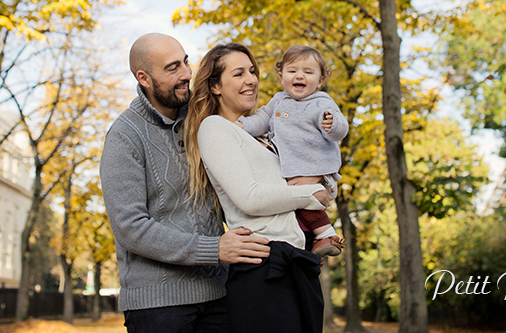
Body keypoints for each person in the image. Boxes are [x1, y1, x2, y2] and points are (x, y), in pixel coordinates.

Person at [100, 33, 271, 333]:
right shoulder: (124, 136)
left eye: (186, 62)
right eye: (172, 68)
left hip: (219, 295)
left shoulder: (204, 120)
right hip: (158, 306)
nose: (186, 74)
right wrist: (213, 249)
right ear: (144, 78)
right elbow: (130, 228)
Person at [184, 43, 332, 333]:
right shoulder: (214, 128)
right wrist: (311, 195)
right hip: (263, 267)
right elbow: (249, 198)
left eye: (252, 71)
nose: (251, 79)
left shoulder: (263, 134)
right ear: (215, 86)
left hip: (295, 261)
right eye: (238, 73)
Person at [238, 45, 348, 257]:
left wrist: (333, 124)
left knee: (301, 196)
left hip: (315, 170)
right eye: (292, 71)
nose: (300, 76)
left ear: (320, 80)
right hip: (289, 169)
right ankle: (311, 248)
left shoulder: (321, 103)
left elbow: (340, 128)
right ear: (281, 76)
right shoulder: (279, 100)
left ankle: (326, 233)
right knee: (291, 209)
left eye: (308, 72)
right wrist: (243, 126)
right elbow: (262, 119)